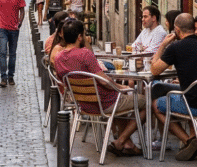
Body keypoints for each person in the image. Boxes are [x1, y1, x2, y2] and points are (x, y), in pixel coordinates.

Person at [53, 20, 145, 157]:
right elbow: (105, 81)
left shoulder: (58, 58)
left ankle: (128, 144)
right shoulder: (85, 54)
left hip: (83, 105)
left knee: (123, 103)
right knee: (145, 102)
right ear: (80, 37)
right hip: (105, 103)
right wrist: (122, 86)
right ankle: (120, 141)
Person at [150, 13, 197, 161]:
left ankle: (189, 141)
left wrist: (164, 44)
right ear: (193, 28)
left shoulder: (176, 47)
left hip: (196, 106)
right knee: (189, 94)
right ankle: (193, 140)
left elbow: (154, 70)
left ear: (177, 30)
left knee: (156, 105)